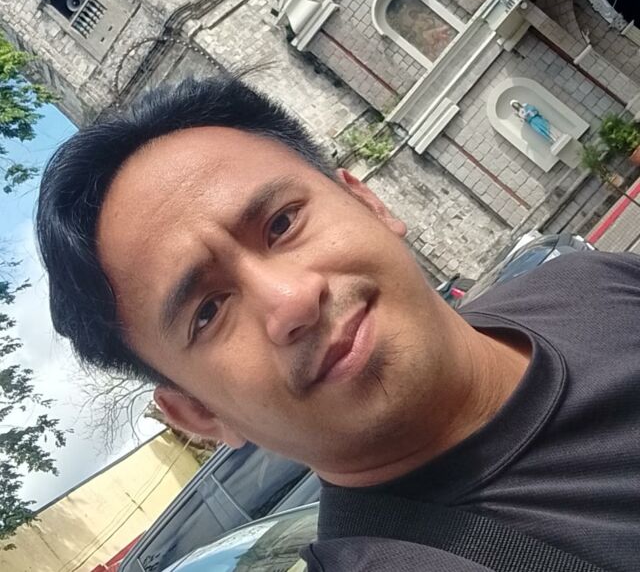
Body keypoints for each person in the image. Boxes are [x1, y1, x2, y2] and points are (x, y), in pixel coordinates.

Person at [37, 76, 640, 571]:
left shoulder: (591, 284)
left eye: (282, 224)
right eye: (209, 311)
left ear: (367, 202)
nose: (292, 301)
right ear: (198, 413)